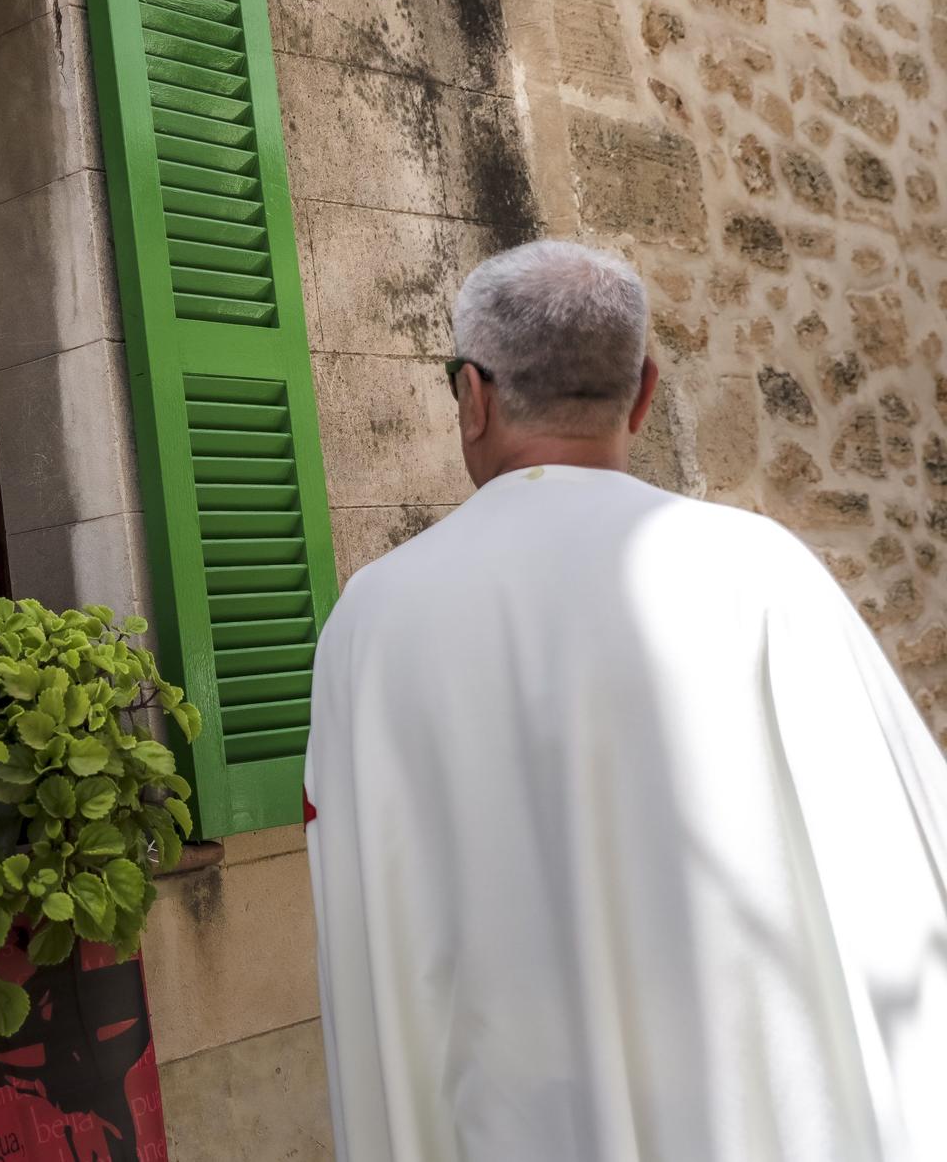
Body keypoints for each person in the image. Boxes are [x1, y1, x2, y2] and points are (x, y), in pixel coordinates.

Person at [305, 239, 947, 1161]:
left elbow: (366, 923)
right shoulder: (762, 573)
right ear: (645, 393)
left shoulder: (371, 617)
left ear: (473, 397)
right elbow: (901, 870)